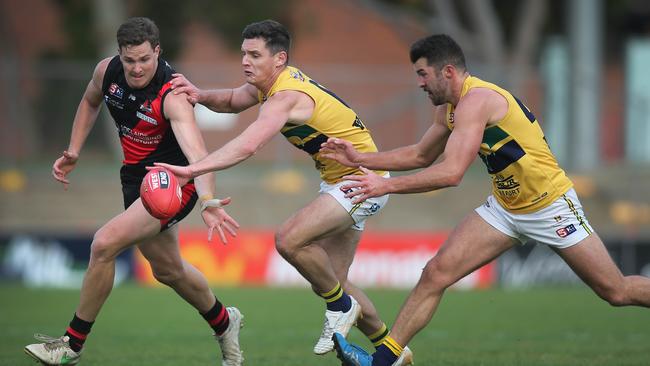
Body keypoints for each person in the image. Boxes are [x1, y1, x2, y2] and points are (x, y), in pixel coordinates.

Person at [321, 33, 650, 366]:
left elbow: (451, 173)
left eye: (423, 74)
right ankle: (385, 361)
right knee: (436, 273)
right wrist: (359, 157)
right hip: (506, 209)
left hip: (550, 205)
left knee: (616, 291)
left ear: (447, 71)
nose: (419, 83)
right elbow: (420, 155)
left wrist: (386, 186)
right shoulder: (450, 110)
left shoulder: (477, 100)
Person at [154, 19, 413, 365]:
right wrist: (200, 95)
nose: (246, 61)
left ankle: (340, 307)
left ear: (279, 59)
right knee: (334, 280)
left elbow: (248, 145)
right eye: (244, 53)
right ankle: (392, 351)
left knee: (290, 239)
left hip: (362, 181)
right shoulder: (268, 86)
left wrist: (193, 169)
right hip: (344, 180)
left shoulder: (286, 97)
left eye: (255, 55)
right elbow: (232, 100)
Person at [24, 17, 244, 366]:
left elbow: (198, 156)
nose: (137, 68)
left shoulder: (172, 96)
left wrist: (208, 201)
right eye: (130, 60)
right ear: (119, 55)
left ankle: (71, 345)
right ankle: (224, 321)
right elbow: (89, 101)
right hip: (134, 180)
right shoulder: (106, 72)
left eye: (145, 59)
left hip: (172, 184)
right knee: (167, 270)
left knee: (103, 244)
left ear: (158, 51)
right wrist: (74, 150)